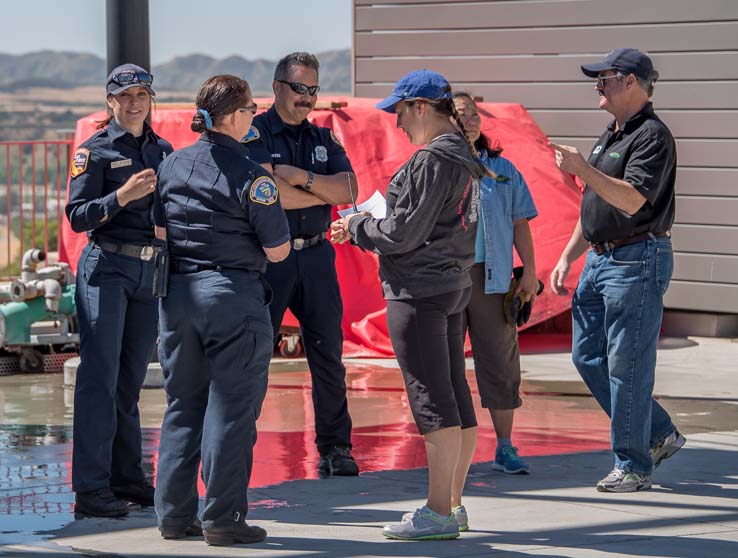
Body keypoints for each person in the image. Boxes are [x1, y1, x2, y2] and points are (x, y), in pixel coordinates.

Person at [331, 69, 484, 540]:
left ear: (420, 107)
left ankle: (438, 512)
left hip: (419, 290)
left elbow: (402, 234)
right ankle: (452, 505)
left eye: (399, 111)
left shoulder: (432, 159)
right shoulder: (464, 154)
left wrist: (357, 226)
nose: (396, 122)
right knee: (455, 396)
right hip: (452, 284)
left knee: (432, 402)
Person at [152, 75, 290, 546]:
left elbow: (161, 232)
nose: (255, 116)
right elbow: (277, 251)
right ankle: (224, 519)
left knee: (183, 407)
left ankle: (173, 517)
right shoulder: (253, 177)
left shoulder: (170, 166)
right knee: (231, 412)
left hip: (178, 298)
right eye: (251, 109)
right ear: (233, 116)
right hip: (232, 298)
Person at [549, 48, 685, 493]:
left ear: (631, 82)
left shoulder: (652, 137)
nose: (597, 86)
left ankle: (633, 464)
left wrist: (583, 169)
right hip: (600, 258)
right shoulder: (611, 134)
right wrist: (569, 255)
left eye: (604, 78)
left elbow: (631, 200)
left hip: (636, 259)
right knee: (587, 356)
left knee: (627, 366)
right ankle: (658, 431)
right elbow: (594, 203)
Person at [243, 52, 360, 477]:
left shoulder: (324, 138)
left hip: (315, 255)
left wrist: (300, 177)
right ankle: (239, 444)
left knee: (328, 355)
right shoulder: (253, 134)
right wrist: (319, 193)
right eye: (299, 89)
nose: (307, 98)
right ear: (277, 88)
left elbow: (349, 189)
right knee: (255, 356)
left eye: (313, 90)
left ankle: (336, 447)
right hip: (270, 259)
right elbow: (266, 192)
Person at [65, 63, 172, 518]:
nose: (134, 103)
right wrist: (120, 197)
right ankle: (91, 489)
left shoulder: (163, 150)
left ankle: (127, 477)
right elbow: (77, 215)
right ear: (110, 103)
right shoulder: (94, 151)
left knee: (128, 383)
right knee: (99, 381)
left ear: (150, 101)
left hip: (146, 271)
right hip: (105, 266)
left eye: (141, 95)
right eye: (125, 96)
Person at [452, 92, 538, 475]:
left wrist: (530, 273)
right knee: (446, 363)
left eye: (474, 115)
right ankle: (450, 450)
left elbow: (521, 222)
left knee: (501, 364)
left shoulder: (502, 170)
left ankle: (505, 447)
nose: (469, 121)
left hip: (494, 278)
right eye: (460, 115)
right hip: (449, 279)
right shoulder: (437, 167)